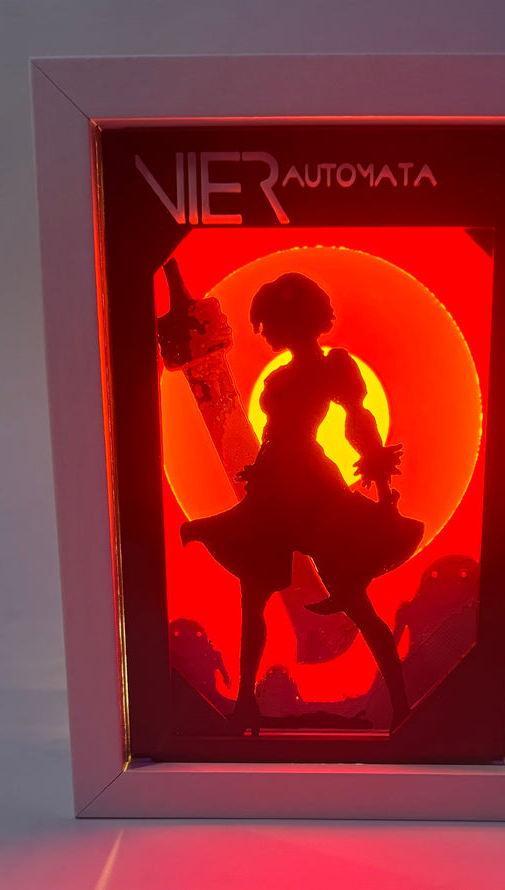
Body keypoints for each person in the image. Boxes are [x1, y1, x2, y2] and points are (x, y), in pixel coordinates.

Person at [181, 272, 423, 734]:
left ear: (295, 320)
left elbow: (358, 421)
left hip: (311, 487)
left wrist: (378, 477)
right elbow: (274, 435)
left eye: (270, 323)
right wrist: (261, 469)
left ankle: (401, 705)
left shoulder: (333, 366)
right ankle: (246, 705)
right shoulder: (283, 374)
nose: (265, 333)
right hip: (274, 489)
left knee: (354, 603)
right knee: (253, 600)